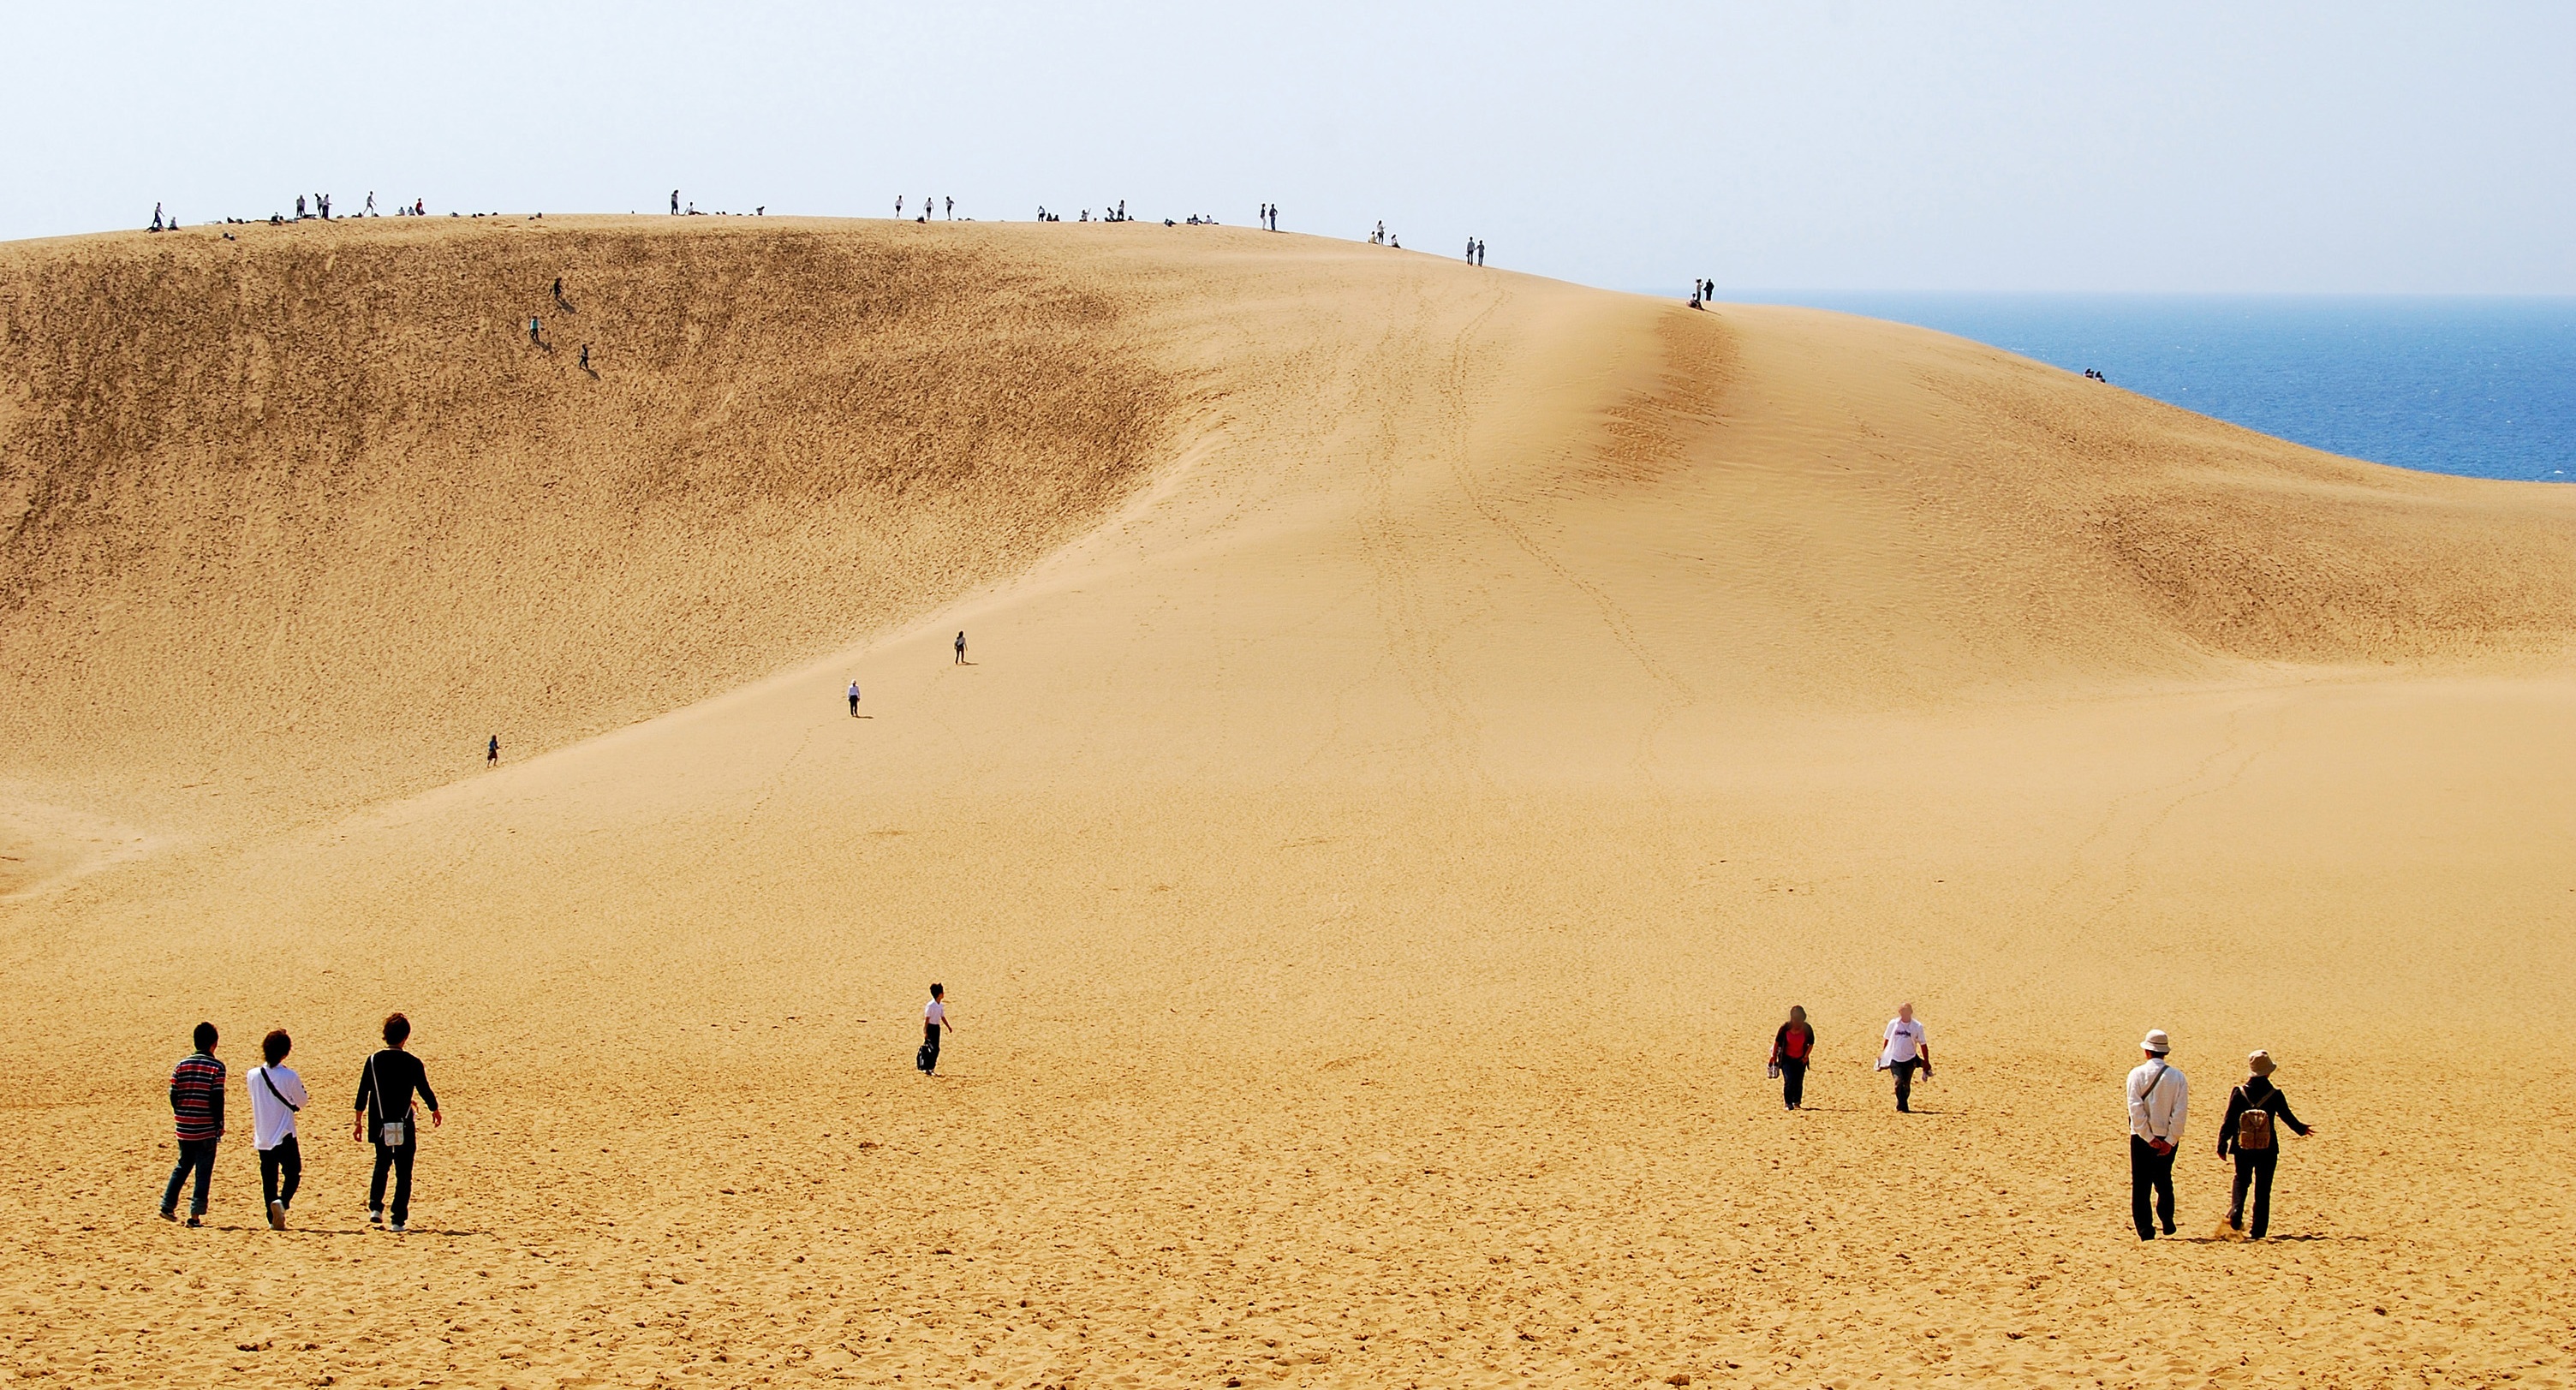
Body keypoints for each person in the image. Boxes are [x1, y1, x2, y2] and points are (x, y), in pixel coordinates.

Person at [353, 1012, 441, 1233]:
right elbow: (424, 1089)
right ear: (405, 1037)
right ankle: (398, 1220)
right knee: (404, 1171)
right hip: (403, 1122)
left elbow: (363, 1092)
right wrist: (434, 1109)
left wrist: (357, 1121)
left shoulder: (373, 1061)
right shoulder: (412, 1062)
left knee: (382, 1163)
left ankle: (375, 1207)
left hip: (379, 1121)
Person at [2218, 1049, 2313, 1238]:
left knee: (2241, 1180)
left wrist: (2222, 1143)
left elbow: (2229, 1120)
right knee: (2263, 1188)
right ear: (2268, 1072)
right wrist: (2302, 1129)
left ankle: (2236, 1211)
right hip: (2267, 1148)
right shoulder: (2275, 1094)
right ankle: (2258, 1230)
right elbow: (2287, 1117)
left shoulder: (2239, 1092)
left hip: (2242, 1146)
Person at [160, 1023, 226, 1226]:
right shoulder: (217, 1067)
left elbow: (173, 1095)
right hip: (205, 1127)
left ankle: (167, 1205)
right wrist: (219, 1123)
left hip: (184, 1127)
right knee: (203, 1171)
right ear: (214, 1044)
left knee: (182, 1165)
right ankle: (195, 1215)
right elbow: (217, 1098)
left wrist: (181, 1114)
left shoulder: (181, 1065)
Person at [2126, 1029, 2188, 1241]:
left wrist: (2147, 1136)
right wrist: (2170, 1140)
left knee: (2141, 1185)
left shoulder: (2136, 1074)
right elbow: (2180, 1112)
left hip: (2141, 1138)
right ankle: (2167, 1219)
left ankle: (2145, 1230)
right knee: (2164, 1180)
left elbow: (2135, 1108)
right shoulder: (2178, 1077)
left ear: (2147, 1052)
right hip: (2167, 1136)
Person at [246, 1029, 308, 1230]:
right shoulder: (289, 1075)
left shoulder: (253, 1075)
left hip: (263, 1134)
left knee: (268, 1177)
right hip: (284, 1133)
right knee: (293, 1172)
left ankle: (271, 1218)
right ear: (285, 1053)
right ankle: (282, 1203)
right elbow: (302, 1101)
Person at [1878, 1004, 1929, 1112]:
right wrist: (1884, 1055)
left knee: (1906, 1084)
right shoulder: (1893, 1024)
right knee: (1898, 1082)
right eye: (1901, 1012)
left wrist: (1926, 1062)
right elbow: (1887, 1040)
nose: (1903, 1014)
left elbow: (1923, 1045)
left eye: (1905, 1012)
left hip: (1910, 1059)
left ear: (1910, 1012)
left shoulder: (1917, 1026)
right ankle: (1903, 1108)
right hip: (1895, 1059)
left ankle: (1901, 1103)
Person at [1771, 1005, 1816, 1109]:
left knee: (1798, 1081)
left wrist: (1805, 1056)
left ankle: (1797, 1101)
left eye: (1800, 1020)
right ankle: (1788, 1103)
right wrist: (1773, 1056)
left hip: (1800, 1059)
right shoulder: (1785, 1028)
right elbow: (1777, 1042)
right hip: (1787, 1059)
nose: (1798, 1023)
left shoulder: (1807, 1029)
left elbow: (1811, 1043)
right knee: (1789, 1080)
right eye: (1796, 1020)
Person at [918, 984, 954, 1075]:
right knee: (932, 1049)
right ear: (939, 994)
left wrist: (948, 1026)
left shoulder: (940, 1005)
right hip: (930, 1028)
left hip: (937, 1028)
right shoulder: (930, 1005)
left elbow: (942, 1017)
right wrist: (925, 1031)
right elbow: (926, 1019)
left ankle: (931, 1068)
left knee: (936, 1049)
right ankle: (927, 1068)